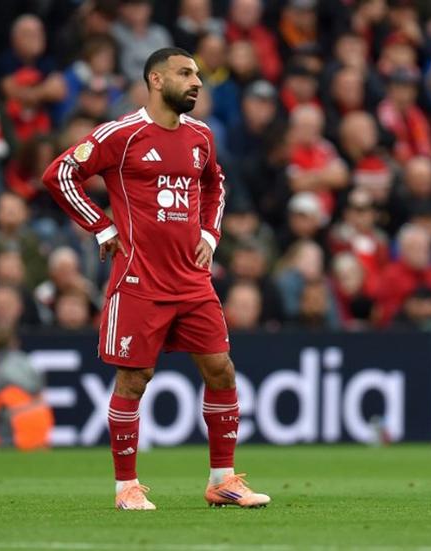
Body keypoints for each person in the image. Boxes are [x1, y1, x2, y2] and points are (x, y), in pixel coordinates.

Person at [41, 47, 270, 510]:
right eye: (185, 73)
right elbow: (60, 174)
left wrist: (210, 231)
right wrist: (101, 226)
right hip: (140, 279)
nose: (197, 82)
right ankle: (126, 487)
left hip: (192, 280)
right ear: (155, 79)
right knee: (135, 378)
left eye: (198, 75)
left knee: (221, 368)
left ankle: (222, 480)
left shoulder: (201, 136)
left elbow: (214, 184)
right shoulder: (120, 134)